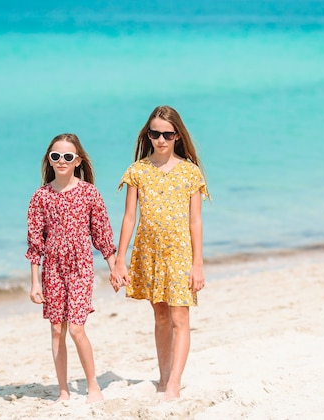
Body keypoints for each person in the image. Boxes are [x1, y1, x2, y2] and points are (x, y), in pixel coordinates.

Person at [111, 105, 210, 401]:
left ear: (177, 135)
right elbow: (129, 217)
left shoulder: (191, 173)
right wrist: (119, 258)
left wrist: (198, 263)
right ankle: (163, 376)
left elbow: (195, 221)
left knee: (180, 316)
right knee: (161, 316)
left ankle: (174, 383)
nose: (161, 139)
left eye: (167, 134)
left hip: (180, 254)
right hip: (148, 252)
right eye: (155, 133)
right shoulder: (137, 171)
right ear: (148, 135)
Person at [25, 133, 117, 404]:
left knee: (76, 328)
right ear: (49, 160)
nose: (62, 160)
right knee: (56, 330)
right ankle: (63, 390)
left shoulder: (89, 193)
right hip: (52, 268)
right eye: (56, 156)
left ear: (77, 161)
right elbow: (35, 242)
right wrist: (34, 282)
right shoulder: (41, 196)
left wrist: (113, 268)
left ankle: (93, 387)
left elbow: (102, 234)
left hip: (80, 267)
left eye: (68, 156)